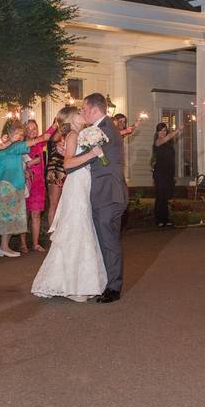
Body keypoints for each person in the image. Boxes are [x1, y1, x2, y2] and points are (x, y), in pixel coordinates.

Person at [31, 106, 107, 301]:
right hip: (76, 185)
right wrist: (92, 154)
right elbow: (67, 164)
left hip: (82, 182)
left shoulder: (78, 134)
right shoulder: (73, 134)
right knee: (77, 228)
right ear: (71, 118)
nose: (83, 114)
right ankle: (73, 285)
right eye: (79, 112)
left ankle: (77, 281)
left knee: (80, 228)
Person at [76, 93, 127, 302]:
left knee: (109, 240)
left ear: (94, 110)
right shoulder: (100, 128)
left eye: (84, 109)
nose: (82, 113)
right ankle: (107, 282)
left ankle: (114, 287)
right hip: (101, 193)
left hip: (110, 194)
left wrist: (69, 160)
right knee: (103, 239)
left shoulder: (105, 130)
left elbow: (88, 155)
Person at [0, 120, 54, 257]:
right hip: (5, 184)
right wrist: (42, 137)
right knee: (7, 217)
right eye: (18, 134)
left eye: (21, 134)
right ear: (9, 133)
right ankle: (4, 247)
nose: (20, 137)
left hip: (16, 183)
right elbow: (28, 143)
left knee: (12, 217)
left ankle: (4, 247)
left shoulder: (15, 146)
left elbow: (25, 151)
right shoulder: (3, 146)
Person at [23, 119, 48, 252]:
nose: (32, 131)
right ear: (25, 131)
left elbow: (48, 134)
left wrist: (56, 123)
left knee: (36, 214)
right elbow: (19, 164)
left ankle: (35, 243)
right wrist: (31, 163)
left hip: (38, 184)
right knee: (24, 213)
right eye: (29, 129)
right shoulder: (22, 145)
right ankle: (23, 244)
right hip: (26, 183)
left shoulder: (39, 143)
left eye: (34, 129)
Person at [152, 122, 181, 227]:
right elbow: (165, 139)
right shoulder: (157, 142)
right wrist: (177, 130)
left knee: (165, 197)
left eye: (164, 130)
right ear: (157, 132)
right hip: (160, 173)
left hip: (168, 173)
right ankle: (159, 219)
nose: (163, 133)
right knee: (160, 196)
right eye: (161, 130)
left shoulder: (169, 144)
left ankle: (166, 219)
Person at [45, 127, 66, 226]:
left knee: (64, 205)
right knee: (54, 204)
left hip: (68, 170)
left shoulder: (71, 134)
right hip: (55, 170)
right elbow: (53, 139)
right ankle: (52, 235)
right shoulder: (54, 137)